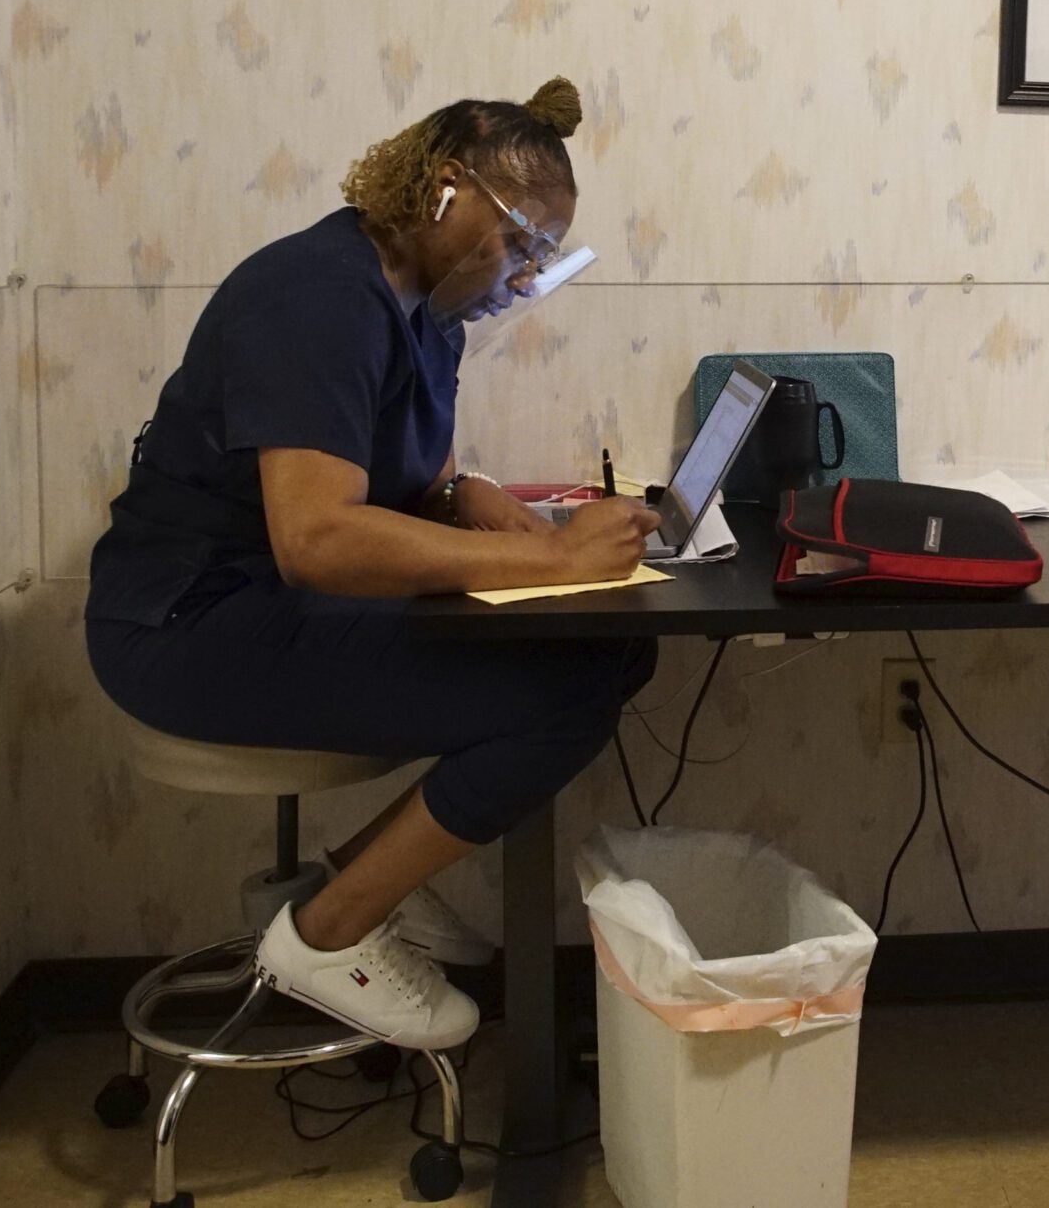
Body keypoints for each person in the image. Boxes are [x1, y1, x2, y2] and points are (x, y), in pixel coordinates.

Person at [83, 77, 663, 1050]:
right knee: (566, 681)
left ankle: (342, 883)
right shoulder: (316, 293)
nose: (522, 276)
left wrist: (470, 495)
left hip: (259, 604)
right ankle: (329, 929)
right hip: (184, 626)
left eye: (542, 259)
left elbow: (395, 486)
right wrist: (559, 557)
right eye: (518, 243)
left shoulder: (427, 313)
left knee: (616, 651)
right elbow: (319, 539)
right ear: (442, 190)